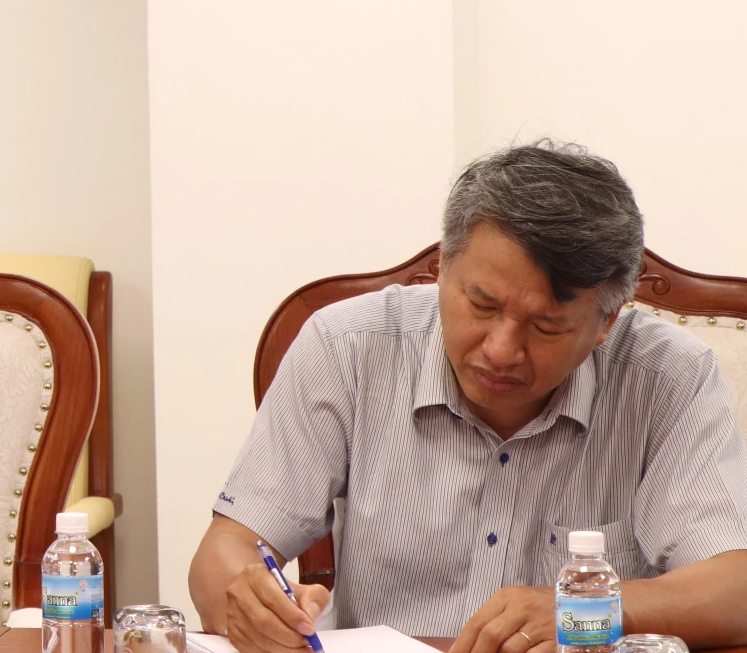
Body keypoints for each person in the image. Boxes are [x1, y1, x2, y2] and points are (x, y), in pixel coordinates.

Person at [189, 142, 747, 653]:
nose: (501, 350)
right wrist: (250, 605)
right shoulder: (347, 347)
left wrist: (586, 610)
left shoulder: (666, 375)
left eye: (546, 326)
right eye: (482, 305)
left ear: (607, 322)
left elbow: (735, 589)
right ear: (442, 268)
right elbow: (226, 549)